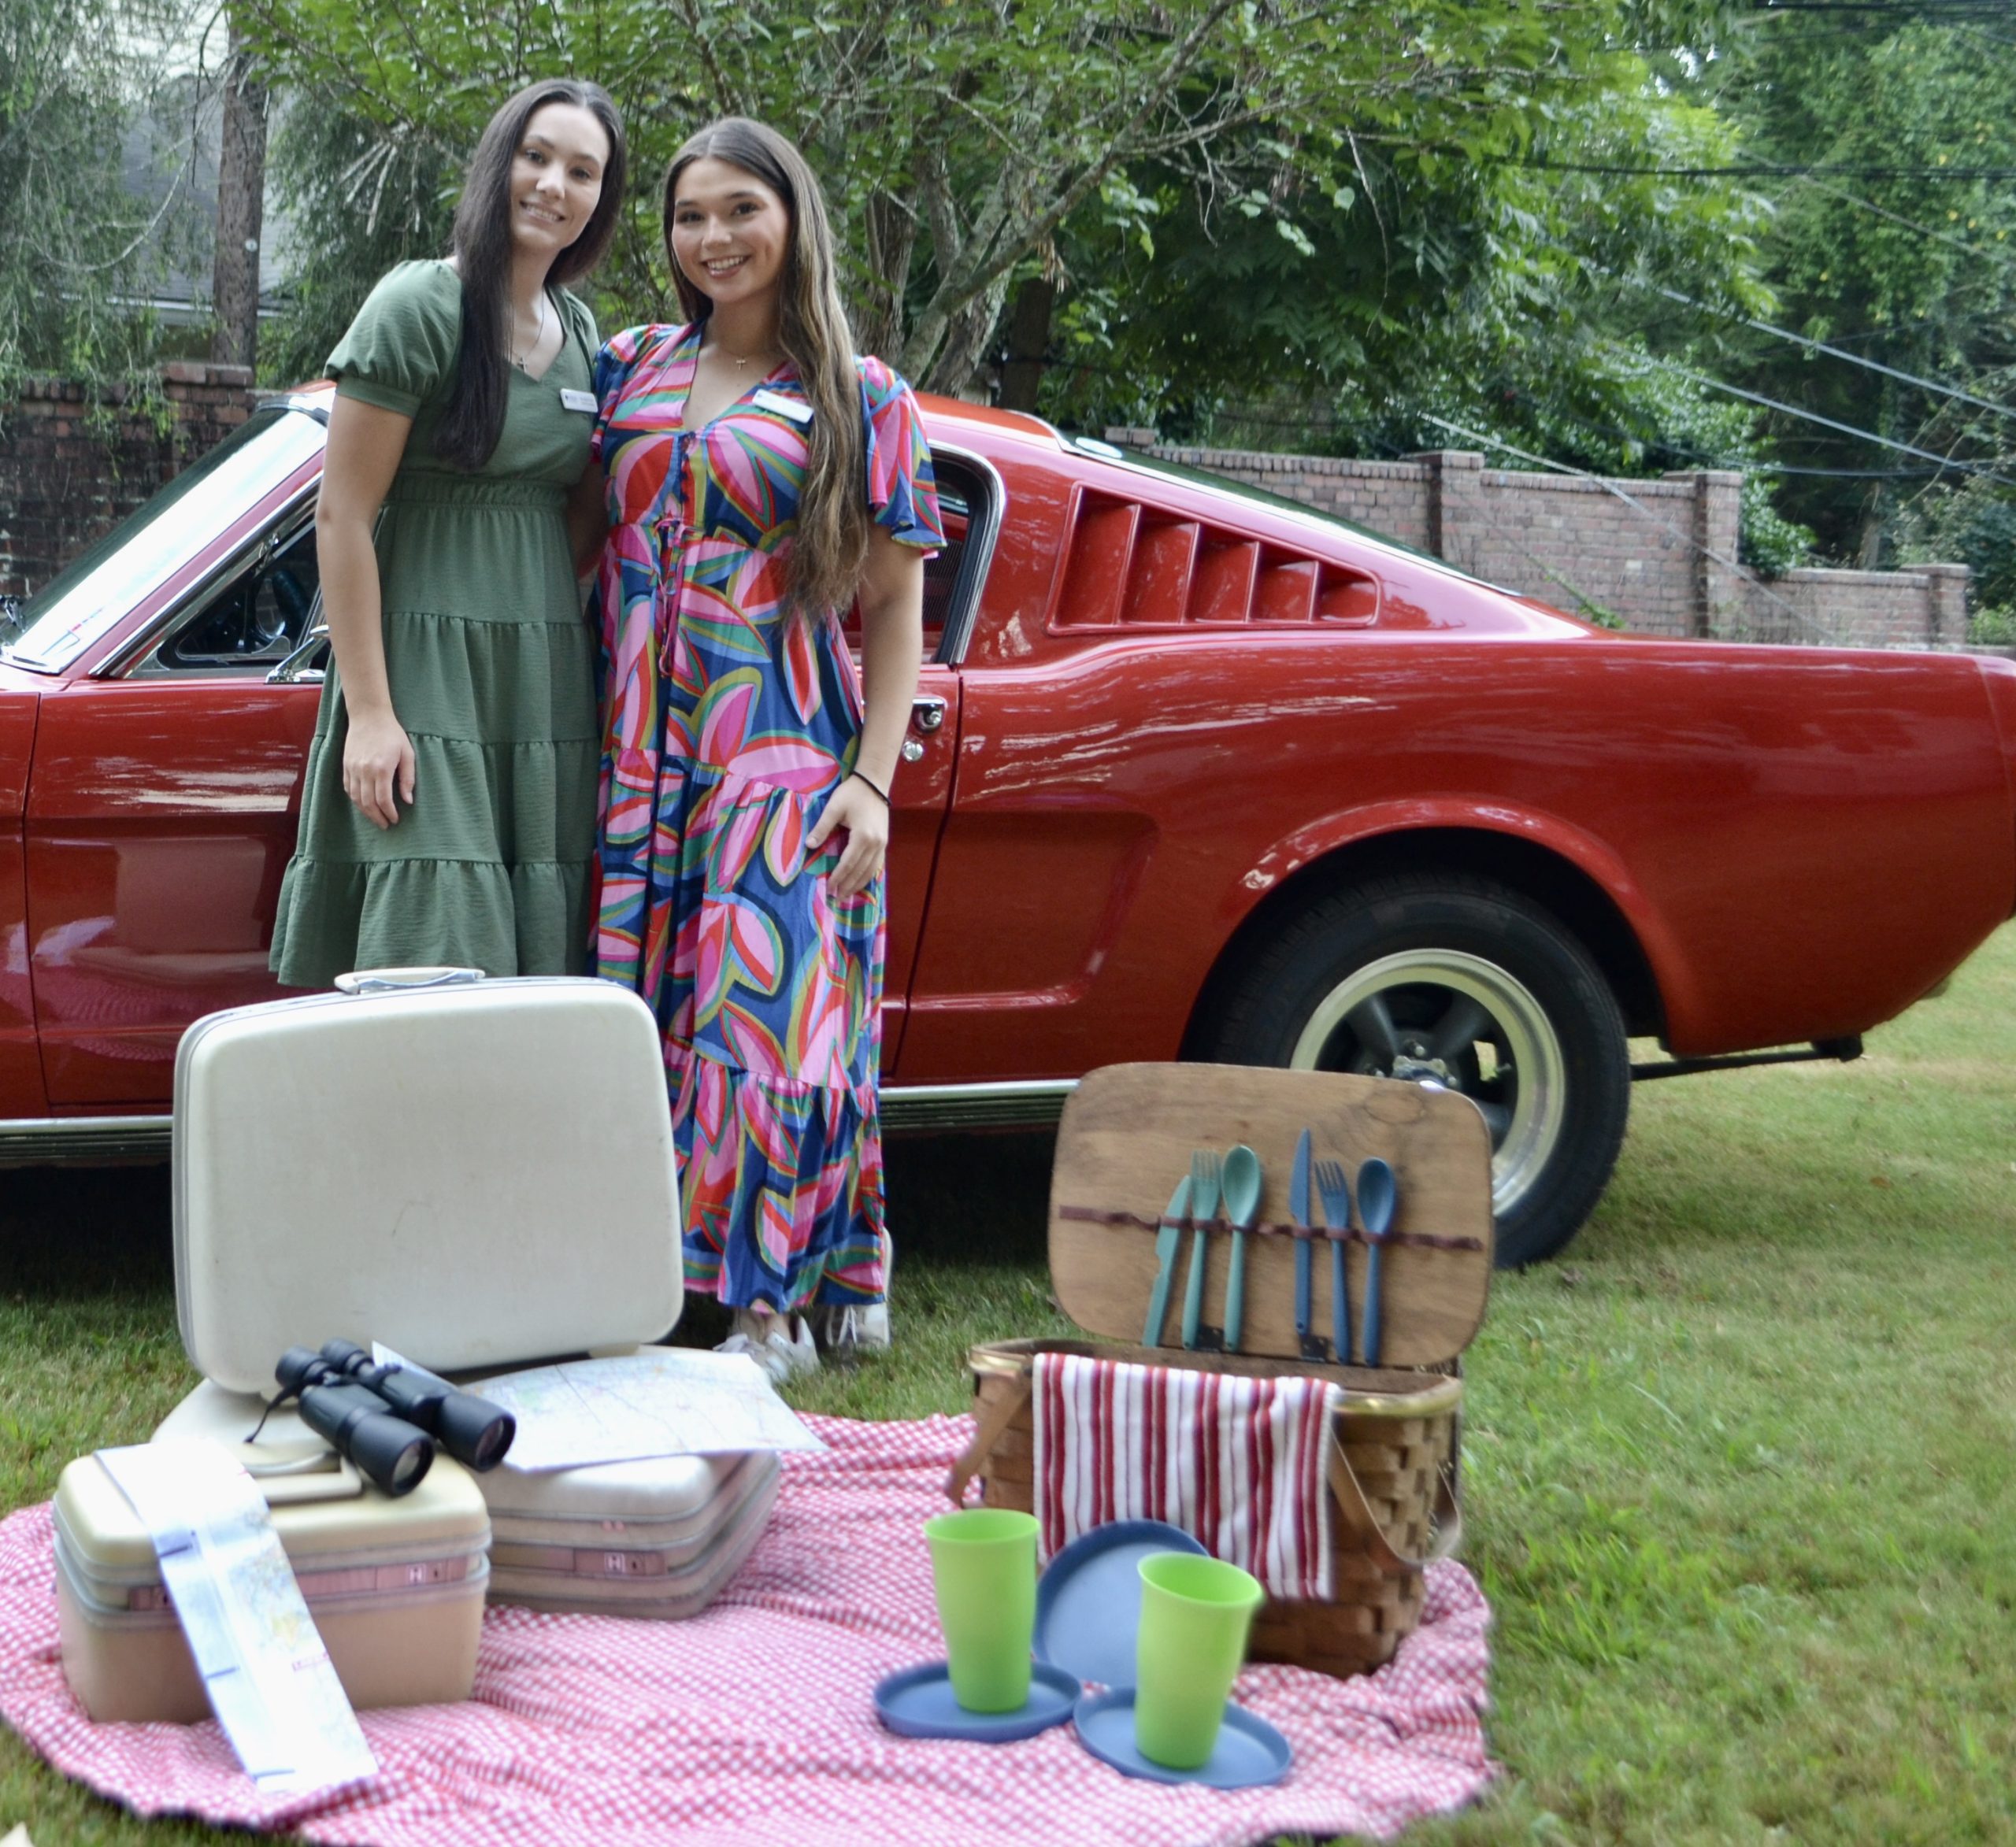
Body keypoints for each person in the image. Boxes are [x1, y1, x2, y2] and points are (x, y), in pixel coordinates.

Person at [585, 117, 942, 1380]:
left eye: (742, 209)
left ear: (791, 218)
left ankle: (773, 1303)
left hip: (779, 750)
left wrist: (873, 782)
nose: (715, 236)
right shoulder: (631, 366)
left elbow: (895, 607)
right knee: (652, 1015)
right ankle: (657, 1270)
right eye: (690, 216)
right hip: (636, 754)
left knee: (768, 1020)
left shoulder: (861, 394)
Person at [269, 80, 627, 986]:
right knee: (434, 945)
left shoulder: (584, 335)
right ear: (498, 163)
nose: (554, 185)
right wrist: (373, 714)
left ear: (600, 200)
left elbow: (580, 517)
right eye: (536, 156)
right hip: (419, 669)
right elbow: (341, 515)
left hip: (539, 681)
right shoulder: (420, 306)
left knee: (527, 955)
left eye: (582, 172)